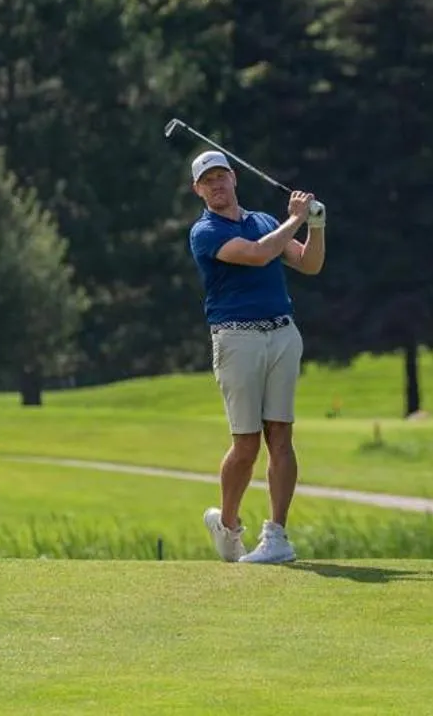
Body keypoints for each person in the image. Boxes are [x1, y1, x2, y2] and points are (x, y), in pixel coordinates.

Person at [188, 150, 327, 565]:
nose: (216, 185)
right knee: (246, 445)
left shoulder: (266, 221)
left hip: (283, 333)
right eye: (207, 181)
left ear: (234, 179)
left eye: (221, 177)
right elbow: (257, 254)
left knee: (281, 437)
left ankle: (277, 536)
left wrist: (316, 224)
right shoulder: (205, 232)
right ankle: (228, 527)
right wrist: (298, 218)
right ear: (198, 190)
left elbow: (309, 263)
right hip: (237, 339)